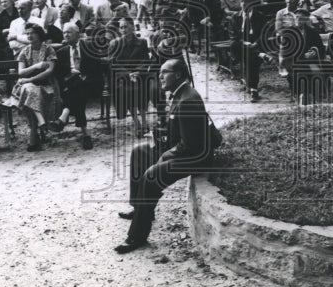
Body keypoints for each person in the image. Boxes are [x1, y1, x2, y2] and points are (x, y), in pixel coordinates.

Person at [114, 58, 222, 253]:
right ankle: (140, 209)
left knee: (151, 176)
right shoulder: (179, 93)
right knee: (140, 153)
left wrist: (164, 155)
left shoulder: (188, 99)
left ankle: (136, 236)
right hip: (182, 149)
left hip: (196, 157)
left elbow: (189, 146)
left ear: (178, 74)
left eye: (165, 72)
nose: (160, 76)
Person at [48, 23, 95, 150]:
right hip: (71, 86)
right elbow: (59, 75)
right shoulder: (62, 52)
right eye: (64, 33)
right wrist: (69, 76)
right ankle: (85, 135)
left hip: (90, 83)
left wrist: (83, 76)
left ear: (78, 34)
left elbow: (96, 69)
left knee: (77, 87)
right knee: (76, 90)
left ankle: (64, 115)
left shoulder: (88, 47)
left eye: (69, 32)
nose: (66, 35)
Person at [13, 23, 57, 152]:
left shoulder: (49, 50)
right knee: (29, 89)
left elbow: (50, 71)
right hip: (25, 87)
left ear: (39, 34)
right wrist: (36, 66)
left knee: (30, 91)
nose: (29, 36)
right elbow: (20, 72)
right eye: (27, 34)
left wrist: (30, 78)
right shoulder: (24, 51)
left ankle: (34, 132)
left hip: (45, 85)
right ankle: (42, 124)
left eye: (32, 33)